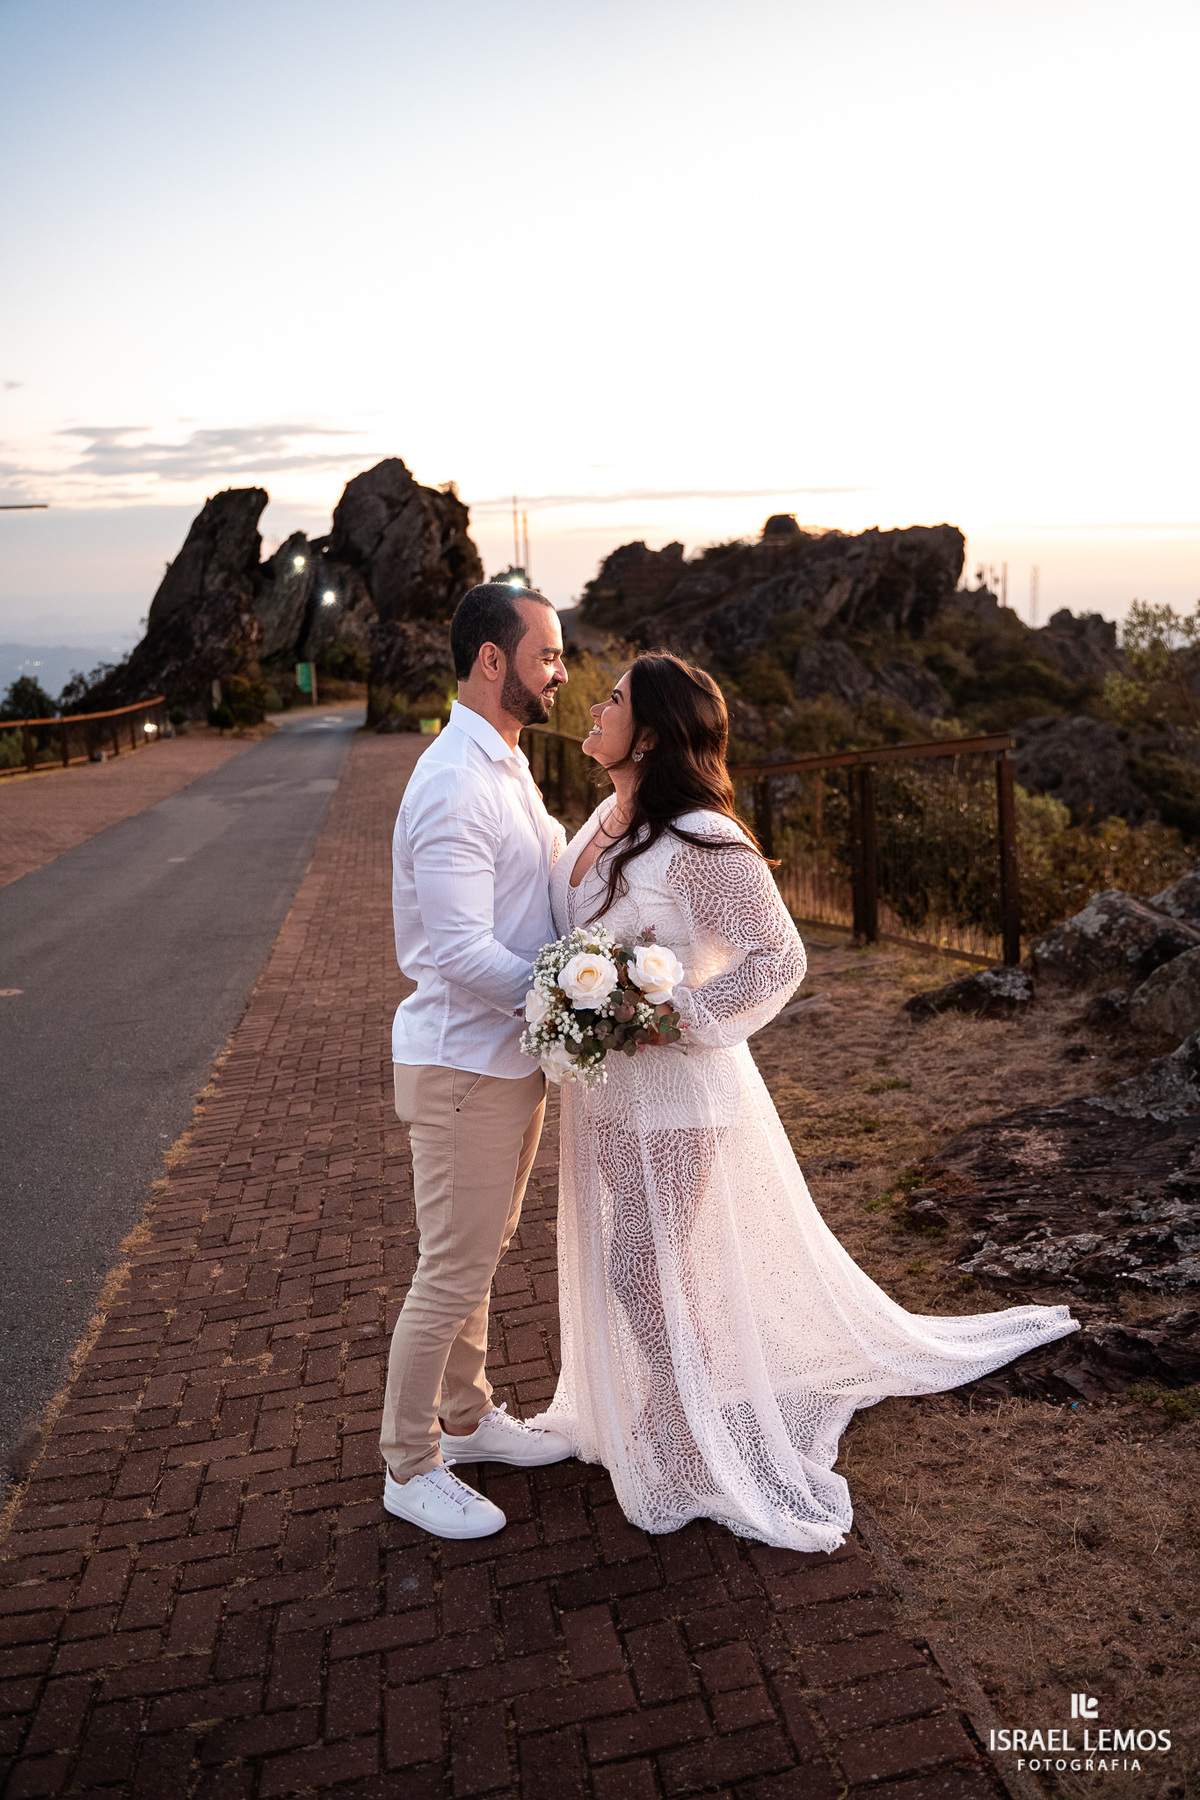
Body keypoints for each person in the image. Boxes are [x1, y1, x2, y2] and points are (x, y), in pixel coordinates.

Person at [529, 652, 1078, 1552]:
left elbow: (780, 957)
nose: (594, 705)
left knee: (646, 1262)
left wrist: (685, 1015)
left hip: (679, 1093)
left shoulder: (702, 838)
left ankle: (690, 1430)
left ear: (655, 733)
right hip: (612, 1093)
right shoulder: (605, 817)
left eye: (615, 699)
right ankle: (668, 1408)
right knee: (633, 1256)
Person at [379, 582, 574, 1540]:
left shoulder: (505, 764)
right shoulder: (455, 779)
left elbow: (534, 896)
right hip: (464, 1070)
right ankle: (409, 1465)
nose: (561, 673)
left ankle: (468, 1421)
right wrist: (568, 1004)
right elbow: (457, 947)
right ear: (493, 661)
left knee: (480, 1256)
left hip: (506, 1059)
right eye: (548, 654)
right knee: (451, 1269)